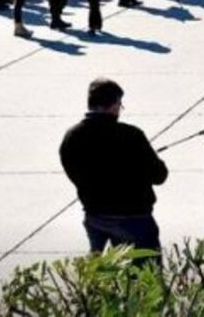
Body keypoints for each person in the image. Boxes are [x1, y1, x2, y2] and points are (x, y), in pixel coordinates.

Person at [59, 79, 168, 256]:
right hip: (134, 217)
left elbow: (72, 171)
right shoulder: (131, 135)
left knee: (102, 273)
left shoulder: (72, 136)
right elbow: (159, 175)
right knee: (146, 273)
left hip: (95, 215)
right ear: (114, 105)